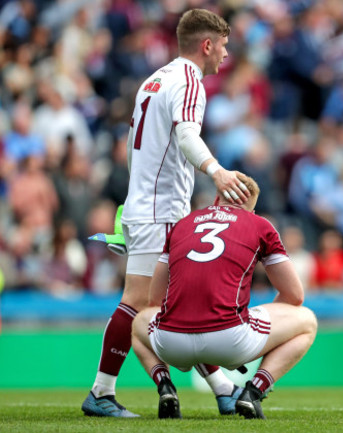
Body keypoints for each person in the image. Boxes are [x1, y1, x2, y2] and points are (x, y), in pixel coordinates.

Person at [82, 9, 251, 418]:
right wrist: (217, 172)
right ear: (206, 45)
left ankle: (223, 389)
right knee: (138, 303)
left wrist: (136, 194)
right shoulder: (190, 81)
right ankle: (101, 392)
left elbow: (129, 140)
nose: (226, 55)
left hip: (148, 207)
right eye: (224, 46)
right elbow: (187, 134)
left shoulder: (154, 80)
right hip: (161, 212)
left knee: (179, 303)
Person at [131, 174, 317, 420]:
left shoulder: (182, 225)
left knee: (138, 322)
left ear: (217, 197)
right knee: (307, 321)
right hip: (231, 340)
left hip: (172, 343)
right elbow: (294, 295)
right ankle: (254, 391)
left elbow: (155, 298)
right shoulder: (259, 225)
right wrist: (263, 336)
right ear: (251, 207)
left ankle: (165, 386)